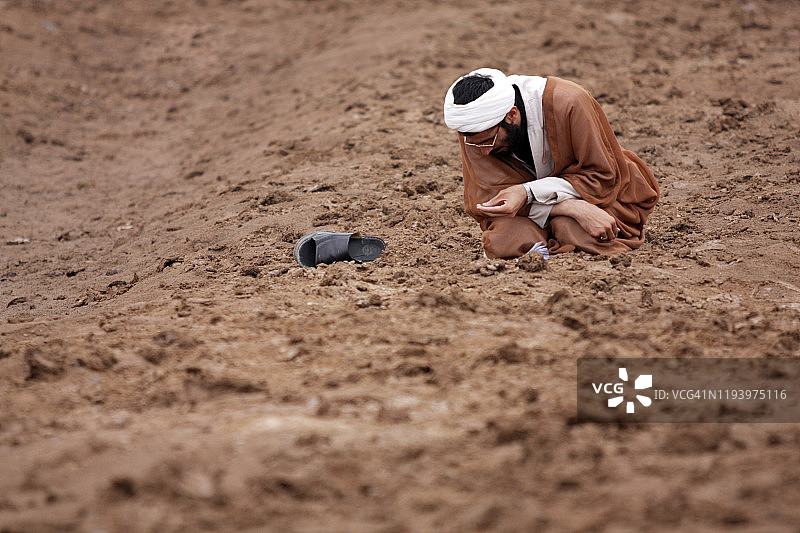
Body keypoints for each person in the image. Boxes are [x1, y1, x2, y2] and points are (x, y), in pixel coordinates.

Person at [443, 68, 659, 258]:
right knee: (503, 242)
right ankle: (556, 228)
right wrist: (571, 207)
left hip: (599, 196)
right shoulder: (475, 133)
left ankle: (556, 233)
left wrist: (526, 192)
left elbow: (603, 177)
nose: (485, 151)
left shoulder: (569, 101)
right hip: (537, 209)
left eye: (488, 141)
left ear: (512, 114)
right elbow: (489, 199)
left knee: (573, 230)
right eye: (473, 143)